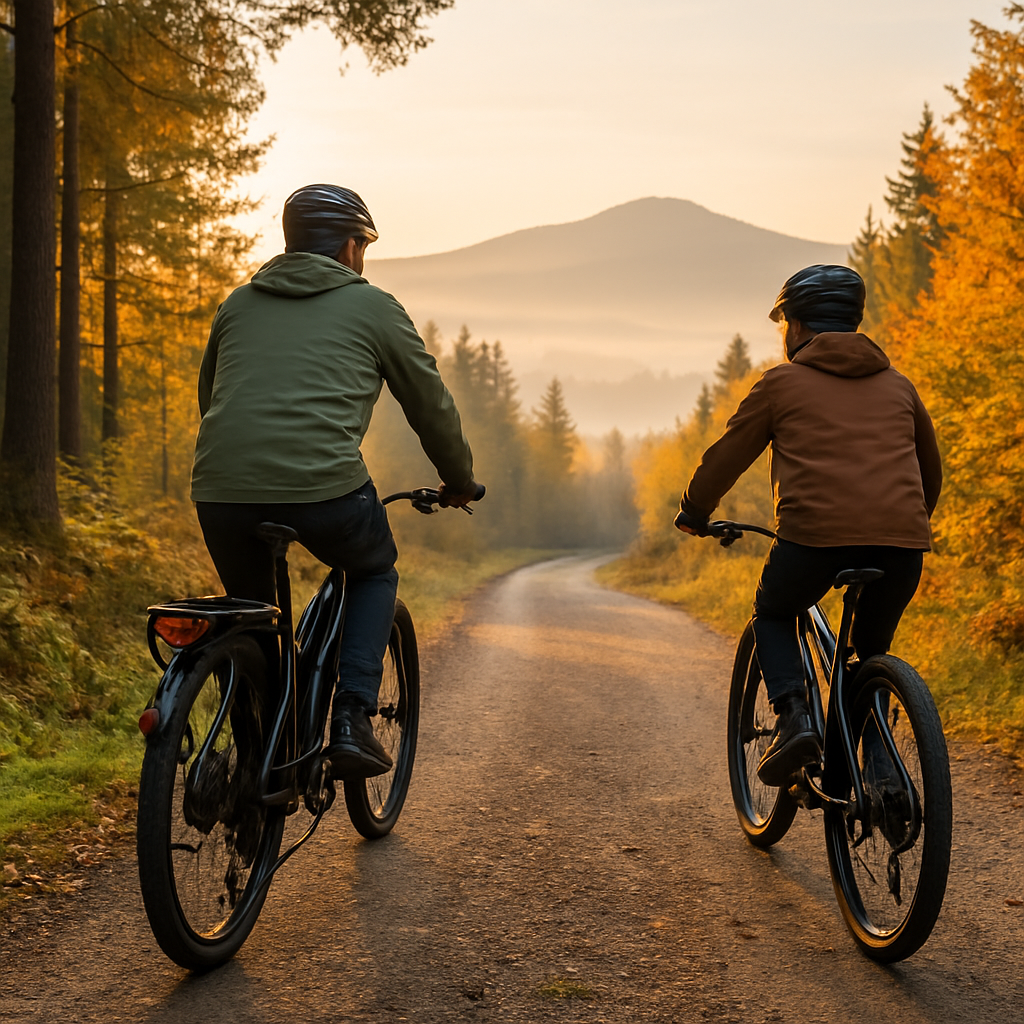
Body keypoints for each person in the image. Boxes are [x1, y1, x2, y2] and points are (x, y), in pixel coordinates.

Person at [190, 184, 480, 779]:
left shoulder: (238, 302)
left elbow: (210, 397)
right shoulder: (373, 306)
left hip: (221, 487)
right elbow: (430, 405)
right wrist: (459, 480)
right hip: (326, 489)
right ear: (351, 249)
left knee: (254, 619)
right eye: (364, 247)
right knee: (373, 569)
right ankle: (351, 717)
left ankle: (254, 771)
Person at [674, 265, 942, 786]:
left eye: (784, 326)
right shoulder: (899, 386)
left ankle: (794, 715)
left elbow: (726, 458)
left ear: (796, 328)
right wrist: (900, 525)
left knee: (773, 612)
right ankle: (879, 765)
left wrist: (694, 511)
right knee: (871, 653)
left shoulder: (781, 383)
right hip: (901, 545)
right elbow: (929, 472)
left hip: (813, 541)